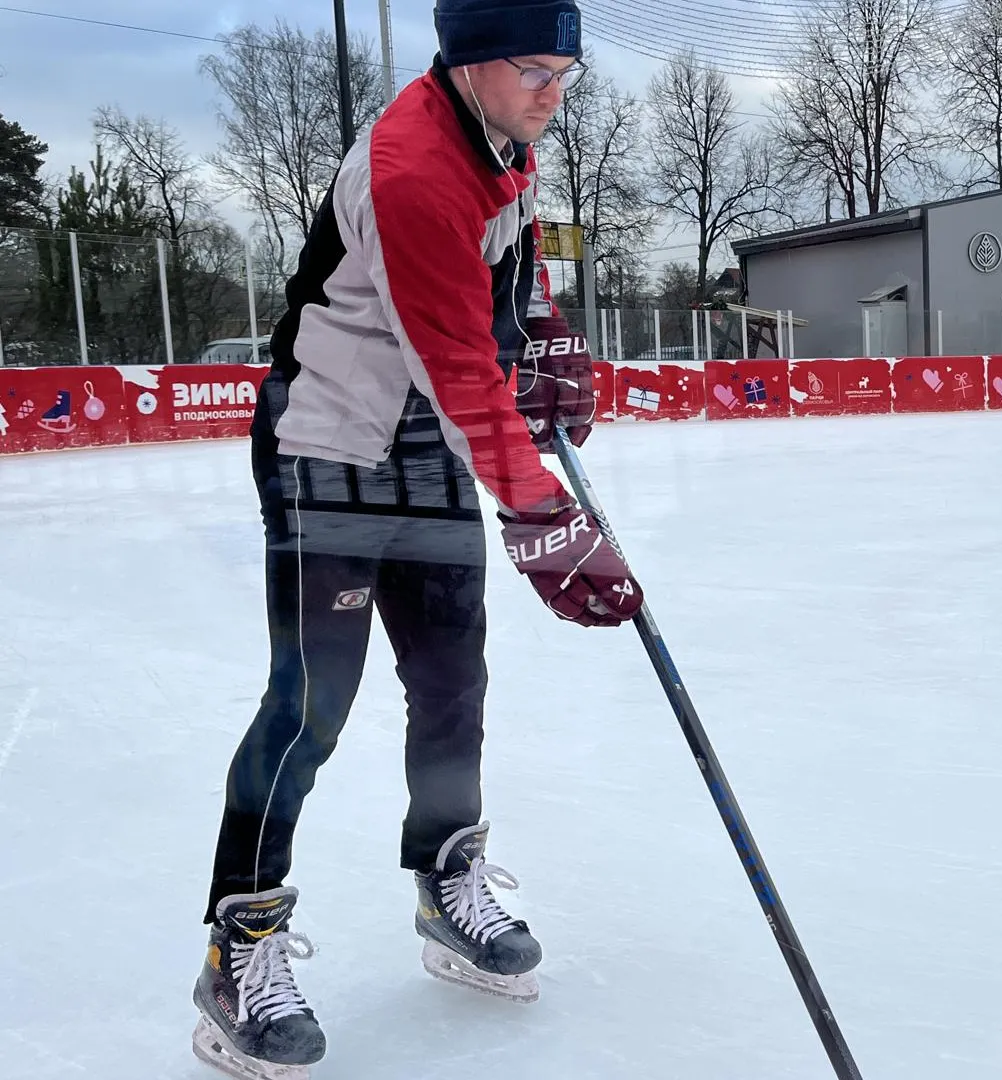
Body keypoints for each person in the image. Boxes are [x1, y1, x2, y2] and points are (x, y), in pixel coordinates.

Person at [189, 4, 643, 1078]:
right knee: (310, 707)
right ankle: (236, 949)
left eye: (569, 73)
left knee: (452, 682)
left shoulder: (503, 145)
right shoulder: (411, 170)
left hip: (425, 448)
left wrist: (541, 331)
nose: (555, 94)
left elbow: (495, 295)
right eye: (538, 70)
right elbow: (456, 371)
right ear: (473, 61)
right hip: (329, 448)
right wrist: (546, 520)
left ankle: (447, 878)